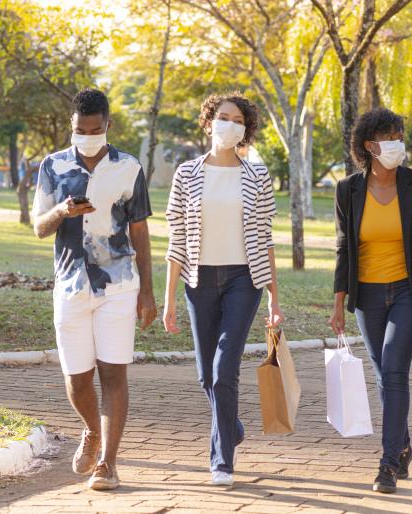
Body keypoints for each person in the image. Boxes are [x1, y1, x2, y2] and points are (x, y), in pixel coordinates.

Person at [32, 88, 157, 491]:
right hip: (70, 285)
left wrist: (147, 292)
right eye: (80, 129)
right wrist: (62, 210)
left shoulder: (129, 168)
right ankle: (91, 429)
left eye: (95, 129)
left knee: (113, 373)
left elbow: (139, 230)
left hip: (118, 284)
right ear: (72, 125)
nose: (87, 134)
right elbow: (39, 227)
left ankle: (108, 463)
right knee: (77, 379)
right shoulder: (53, 166)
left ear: (107, 126)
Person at [163, 92, 284, 487]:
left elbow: (266, 238)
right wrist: (168, 301)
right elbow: (176, 239)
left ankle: (222, 460)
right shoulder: (186, 174)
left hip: (242, 279)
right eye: (223, 117)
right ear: (209, 121)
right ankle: (230, 426)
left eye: (238, 120)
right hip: (198, 280)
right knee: (204, 375)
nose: (229, 125)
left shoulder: (256, 176)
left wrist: (273, 298)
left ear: (245, 130)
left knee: (223, 368)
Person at [330, 108, 412, 494]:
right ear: (370, 146)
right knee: (383, 374)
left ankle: (388, 463)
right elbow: (344, 247)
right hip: (367, 295)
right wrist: (338, 302)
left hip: (409, 291)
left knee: (393, 369)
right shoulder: (348, 189)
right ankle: (404, 444)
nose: (397, 143)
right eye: (389, 137)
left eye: (399, 135)